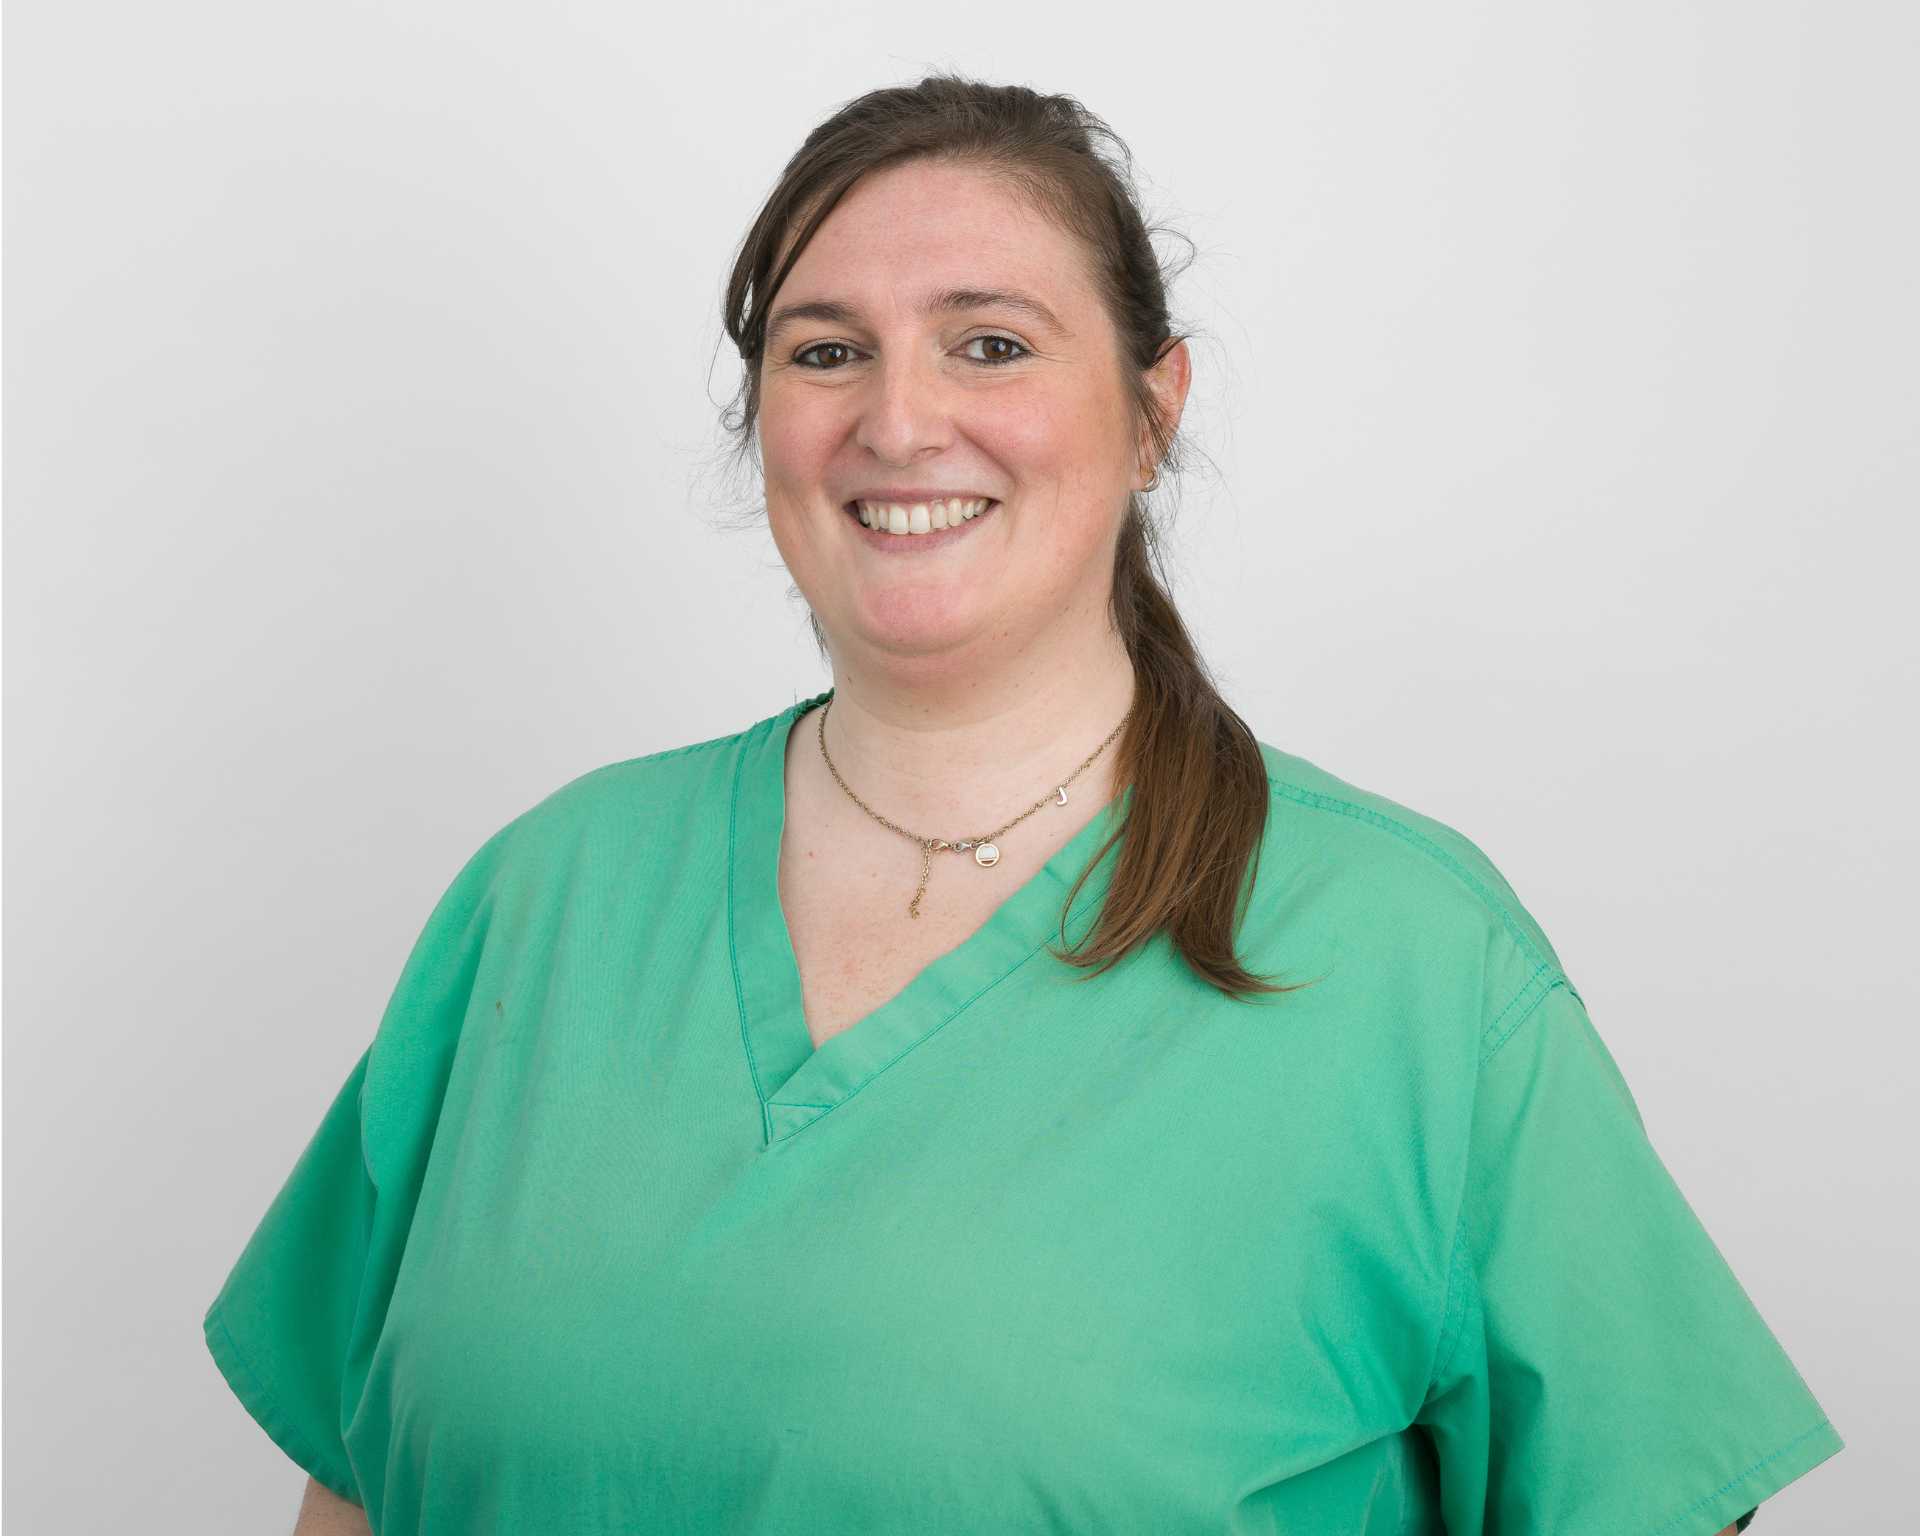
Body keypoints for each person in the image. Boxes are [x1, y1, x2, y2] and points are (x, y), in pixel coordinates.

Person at [202, 74, 1844, 1535]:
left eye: (989, 343)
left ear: (1153, 411)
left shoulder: (1410, 964)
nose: (898, 421)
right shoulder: (546, 898)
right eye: (826, 351)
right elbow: (356, 1490)